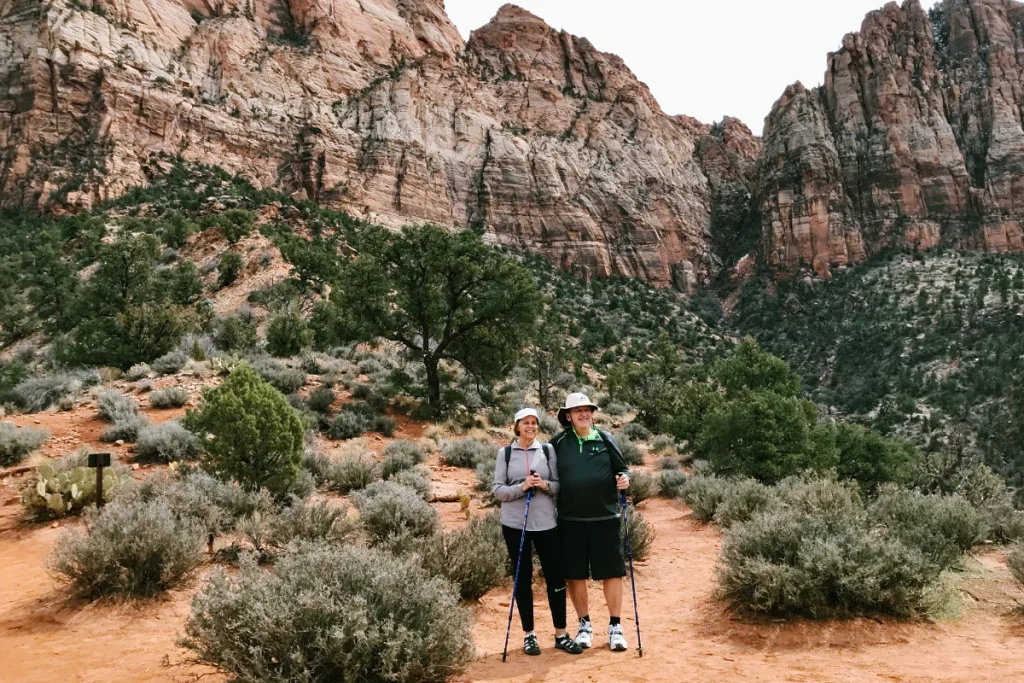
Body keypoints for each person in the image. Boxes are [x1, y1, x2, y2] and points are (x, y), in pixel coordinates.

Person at [493, 407, 584, 657]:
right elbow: (498, 490)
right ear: (517, 426)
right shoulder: (506, 452)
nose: (531, 426)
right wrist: (522, 487)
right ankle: (529, 635)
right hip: (514, 525)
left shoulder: (547, 450)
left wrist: (542, 484)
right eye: (526, 422)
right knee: (522, 578)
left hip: (545, 523)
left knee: (555, 577)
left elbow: (557, 486)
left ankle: (561, 634)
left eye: (534, 422)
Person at [550, 392, 631, 652]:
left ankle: (615, 626)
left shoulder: (606, 438)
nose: (583, 414)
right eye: (577, 410)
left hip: (605, 517)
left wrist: (625, 479)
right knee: (575, 574)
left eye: (587, 409)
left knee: (612, 572)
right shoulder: (558, 443)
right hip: (571, 519)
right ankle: (584, 625)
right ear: (568, 416)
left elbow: (623, 469)